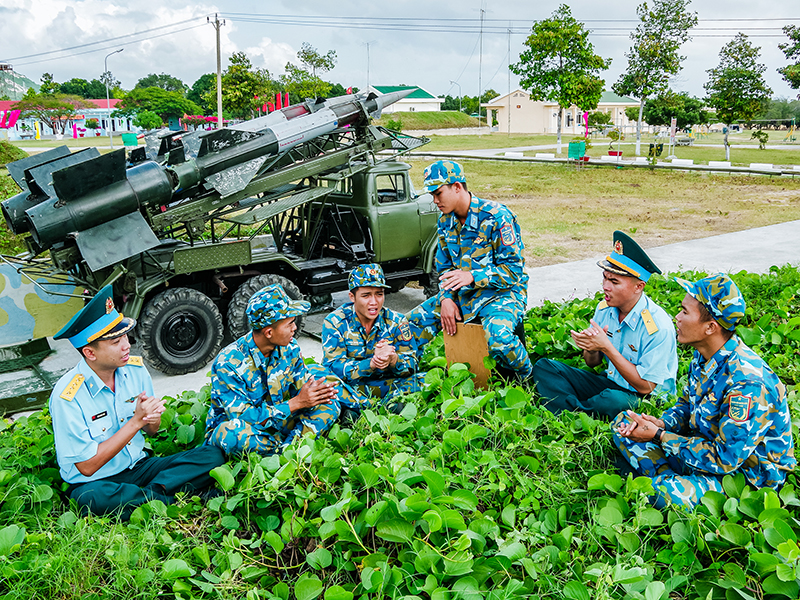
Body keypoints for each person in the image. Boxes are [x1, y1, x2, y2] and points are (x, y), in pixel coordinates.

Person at [613, 274, 795, 509]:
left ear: (710, 327)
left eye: (685, 312)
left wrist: (659, 437)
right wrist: (661, 424)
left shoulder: (748, 385)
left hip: (744, 478)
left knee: (660, 494)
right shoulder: (703, 355)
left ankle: (667, 483)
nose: (677, 318)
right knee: (624, 422)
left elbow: (726, 458)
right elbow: (686, 406)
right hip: (702, 449)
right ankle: (674, 480)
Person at [49, 285, 225, 520]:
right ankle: (169, 499)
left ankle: (149, 497)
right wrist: (135, 421)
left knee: (212, 456)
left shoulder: (134, 370)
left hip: (140, 468)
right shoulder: (67, 396)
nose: (126, 346)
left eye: (124, 337)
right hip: (97, 480)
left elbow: (153, 431)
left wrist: (151, 418)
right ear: (90, 353)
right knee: (91, 499)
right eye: (115, 342)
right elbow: (87, 467)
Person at [205, 284, 371, 455]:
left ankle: (288, 450)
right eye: (290, 323)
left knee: (329, 403)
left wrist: (315, 393)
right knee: (230, 434)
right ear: (269, 332)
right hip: (248, 430)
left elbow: (304, 385)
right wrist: (297, 403)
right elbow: (244, 418)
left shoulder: (289, 347)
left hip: (279, 417)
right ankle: (291, 448)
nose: (295, 328)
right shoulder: (229, 364)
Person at [406, 160, 533, 379]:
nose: (435, 201)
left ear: (457, 186)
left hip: (501, 295)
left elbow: (514, 272)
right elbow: (444, 267)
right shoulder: (445, 222)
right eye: (432, 195)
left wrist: (473, 275)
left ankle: (528, 379)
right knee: (408, 326)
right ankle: (409, 382)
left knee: (499, 338)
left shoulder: (497, 217)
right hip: (463, 294)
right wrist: (446, 298)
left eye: (438, 193)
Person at [533, 231, 677, 418]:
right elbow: (593, 363)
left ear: (638, 286)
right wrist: (591, 348)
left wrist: (607, 347)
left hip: (644, 397)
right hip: (610, 383)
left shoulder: (657, 326)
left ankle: (572, 411)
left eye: (614, 281)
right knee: (545, 367)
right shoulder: (604, 309)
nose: (605, 286)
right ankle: (582, 412)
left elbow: (645, 386)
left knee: (612, 400)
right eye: (605, 278)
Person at [322, 264, 423, 404]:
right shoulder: (335, 322)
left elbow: (413, 365)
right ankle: (378, 405)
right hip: (352, 388)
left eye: (379, 294)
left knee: (424, 379)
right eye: (366, 295)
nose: (374, 302)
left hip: (387, 384)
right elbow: (333, 368)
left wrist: (393, 359)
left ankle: (359, 407)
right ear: (352, 297)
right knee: (320, 379)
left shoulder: (397, 321)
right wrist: (371, 364)